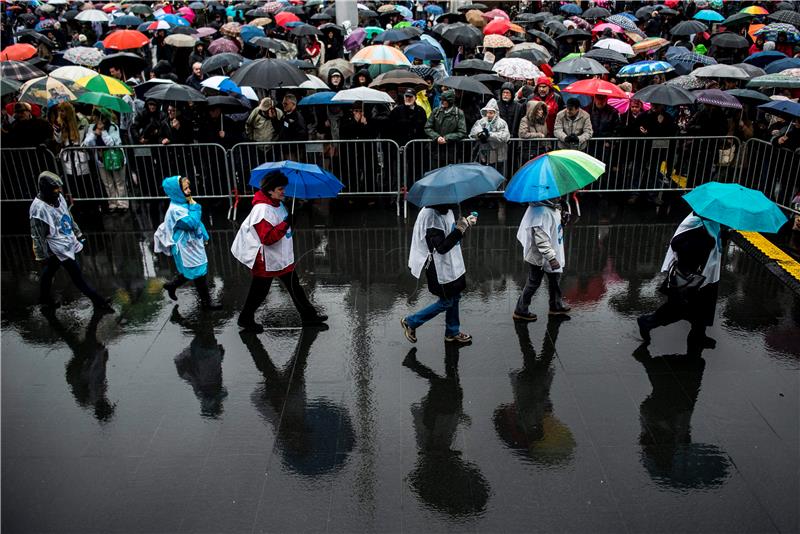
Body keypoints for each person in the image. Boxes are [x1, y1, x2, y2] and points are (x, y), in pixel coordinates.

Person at [231, 172, 328, 332]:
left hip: (281, 257)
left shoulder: (277, 203)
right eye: (280, 189)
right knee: (259, 292)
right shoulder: (262, 210)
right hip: (266, 260)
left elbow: (283, 226)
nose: (284, 191)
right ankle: (245, 318)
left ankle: (309, 317)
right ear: (270, 191)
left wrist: (292, 219)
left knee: (294, 286)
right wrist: (286, 223)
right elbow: (267, 238)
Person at [30, 171, 113, 312]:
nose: (58, 192)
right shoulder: (38, 209)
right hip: (56, 247)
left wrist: (77, 232)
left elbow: (67, 215)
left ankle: (44, 299)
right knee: (76, 274)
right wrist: (41, 255)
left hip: (66, 240)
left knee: (49, 271)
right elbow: (37, 235)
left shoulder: (59, 198)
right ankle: (98, 301)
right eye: (55, 189)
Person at [637, 213, 722, 351]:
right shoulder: (697, 225)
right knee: (678, 308)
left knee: (703, 307)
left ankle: (699, 336)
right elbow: (681, 246)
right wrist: (706, 243)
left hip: (706, 275)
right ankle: (647, 322)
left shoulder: (709, 219)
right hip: (691, 277)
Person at [401, 204, 477, 344]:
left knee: (455, 295)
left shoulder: (446, 209)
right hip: (438, 265)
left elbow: (452, 235)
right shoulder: (431, 217)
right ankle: (411, 321)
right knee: (446, 301)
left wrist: (465, 224)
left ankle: (452, 332)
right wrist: (461, 228)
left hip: (451, 261)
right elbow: (441, 247)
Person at [154, 175, 221, 310]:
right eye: (185, 189)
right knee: (198, 273)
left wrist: (204, 236)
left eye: (188, 187)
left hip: (192, 244)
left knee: (195, 271)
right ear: (177, 191)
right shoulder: (176, 210)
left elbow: (197, 224)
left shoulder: (184, 202)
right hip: (185, 247)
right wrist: (196, 208)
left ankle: (172, 285)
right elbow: (192, 223)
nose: (189, 191)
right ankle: (206, 303)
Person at [513, 199, 571, 321]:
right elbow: (541, 240)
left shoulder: (551, 207)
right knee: (533, 283)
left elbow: (553, 227)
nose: (559, 196)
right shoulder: (541, 212)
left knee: (555, 280)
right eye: (555, 194)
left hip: (552, 252)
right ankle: (520, 310)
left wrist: (563, 220)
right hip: (540, 257)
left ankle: (556, 306)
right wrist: (551, 258)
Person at [82, 109, 129, 212]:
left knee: (119, 181)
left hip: (115, 158)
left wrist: (103, 131)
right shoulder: (91, 128)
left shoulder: (113, 127)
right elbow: (86, 143)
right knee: (108, 182)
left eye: (95, 116)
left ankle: (122, 204)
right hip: (101, 159)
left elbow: (111, 143)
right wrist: (94, 133)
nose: (92, 118)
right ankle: (112, 203)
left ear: (101, 117)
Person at [469, 98, 510, 166]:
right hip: (484, 154)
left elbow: (504, 136)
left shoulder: (502, 123)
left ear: (496, 113)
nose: (488, 115)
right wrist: (479, 135)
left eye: (491, 113)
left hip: (498, 155)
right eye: (487, 112)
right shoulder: (482, 121)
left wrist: (489, 135)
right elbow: (473, 132)